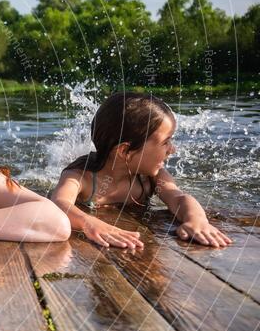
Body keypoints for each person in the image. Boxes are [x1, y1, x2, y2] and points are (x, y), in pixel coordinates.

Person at [50, 91, 232, 249]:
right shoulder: (81, 177)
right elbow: (59, 203)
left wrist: (197, 220)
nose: (172, 149)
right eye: (165, 142)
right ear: (125, 151)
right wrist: (88, 223)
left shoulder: (151, 177)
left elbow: (178, 198)